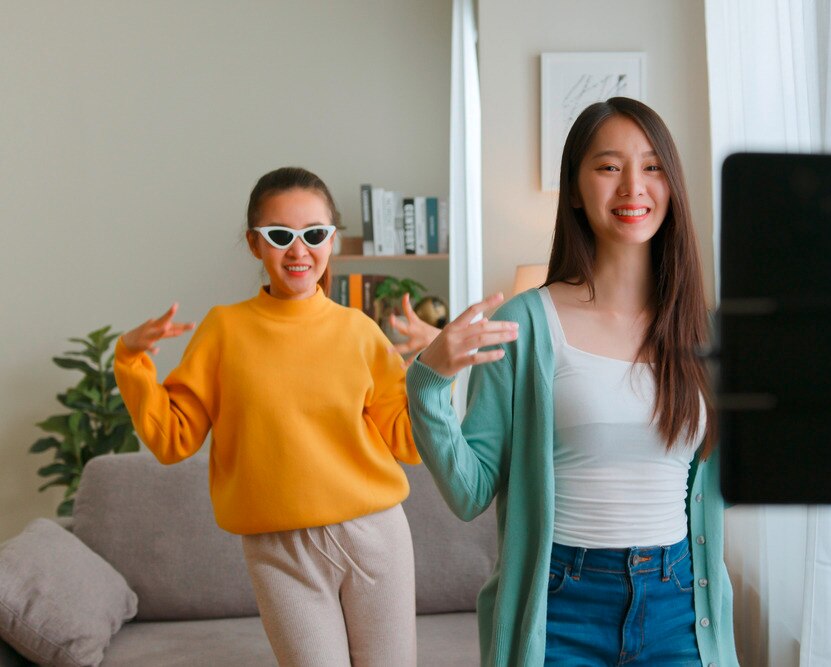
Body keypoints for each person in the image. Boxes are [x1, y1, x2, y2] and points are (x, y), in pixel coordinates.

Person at [399, 97, 739, 665]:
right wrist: (428, 383)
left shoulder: (701, 330)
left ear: (673, 185)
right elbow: (469, 492)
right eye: (609, 167)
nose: (633, 186)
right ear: (575, 191)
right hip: (561, 608)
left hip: (681, 606)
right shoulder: (527, 325)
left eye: (653, 166)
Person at [114, 166, 424, 666]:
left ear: (333, 240)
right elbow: (173, 440)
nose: (299, 252)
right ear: (255, 244)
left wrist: (437, 371)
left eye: (314, 235)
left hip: (375, 537)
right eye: (280, 236)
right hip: (278, 551)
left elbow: (408, 443)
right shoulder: (224, 331)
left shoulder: (360, 332)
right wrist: (130, 362)